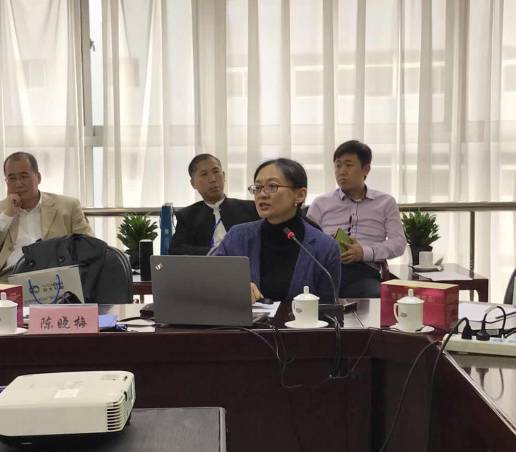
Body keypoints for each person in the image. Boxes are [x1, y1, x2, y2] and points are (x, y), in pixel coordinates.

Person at [215, 158, 340, 304]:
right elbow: (213, 284)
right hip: (246, 319)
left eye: (272, 186)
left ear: (300, 195)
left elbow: (327, 308)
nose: (262, 194)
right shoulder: (237, 237)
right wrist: (234, 289)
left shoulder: (325, 247)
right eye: (258, 187)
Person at [307, 140, 406, 298]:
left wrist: (364, 252)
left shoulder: (385, 202)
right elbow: (306, 241)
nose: (341, 172)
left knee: (377, 296)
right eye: (338, 165)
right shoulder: (321, 203)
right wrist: (327, 245)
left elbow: (398, 243)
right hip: (325, 271)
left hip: (363, 273)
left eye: (348, 165)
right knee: (302, 295)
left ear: (366, 169)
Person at [0, 152, 93, 277]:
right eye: (12, 178)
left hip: (57, 277)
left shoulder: (68, 206)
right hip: (8, 279)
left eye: (24, 176)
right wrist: (7, 216)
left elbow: (89, 245)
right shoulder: (3, 211)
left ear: (38, 177)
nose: (18, 184)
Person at [169, 153, 259, 255]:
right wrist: (215, 252)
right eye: (204, 174)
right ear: (193, 183)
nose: (212, 179)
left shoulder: (250, 208)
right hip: (206, 264)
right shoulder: (187, 216)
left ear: (223, 176)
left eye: (216, 172)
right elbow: (176, 249)